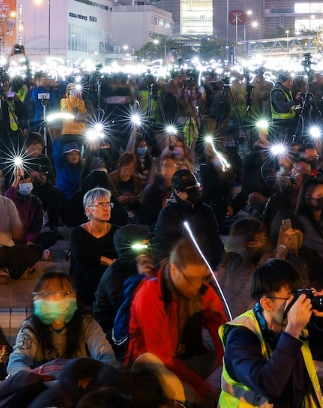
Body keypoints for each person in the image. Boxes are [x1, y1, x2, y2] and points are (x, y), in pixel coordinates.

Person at [219, 259, 323, 408]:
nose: (298, 304)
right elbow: (268, 385)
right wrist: (293, 330)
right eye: (292, 298)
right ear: (267, 303)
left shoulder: (299, 329)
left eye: (300, 295)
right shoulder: (241, 336)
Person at [124, 242, 228, 403]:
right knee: (191, 396)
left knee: (231, 357)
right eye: (191, 279)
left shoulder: (203, 290)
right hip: (151, 368)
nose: (196, 286)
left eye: (201, 279)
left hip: (187, 358)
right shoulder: (150, 294)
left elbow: (222, 335)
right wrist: (203, 390)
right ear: (173, 270)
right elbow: (162, 357)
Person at [8, 269, 119, 375]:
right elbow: (16, 361)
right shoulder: (31, 327)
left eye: (65, 293)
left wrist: (96, 378)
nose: (57, 297)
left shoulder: (86, 324)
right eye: (49, 293)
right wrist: (34, 378)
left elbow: (106, 355)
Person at [154, 170, 224, 267]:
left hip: (203, 263)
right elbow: (173, 248)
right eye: (189, 189)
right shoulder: (168, 214)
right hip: (177, 264)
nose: (194, 192)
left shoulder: (206, 211)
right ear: (177, 192)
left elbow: (215, 241)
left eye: (195, 187)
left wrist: (219, 265)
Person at [70, 188, 117, 310]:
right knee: (83, 263)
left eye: (108, 204)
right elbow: (80, 254)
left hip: (110, 278)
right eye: (101, 204)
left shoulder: (117, 231)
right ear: (88, 210)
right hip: (86, 282)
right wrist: (108, 261)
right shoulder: (78, 232)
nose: (106, 208)